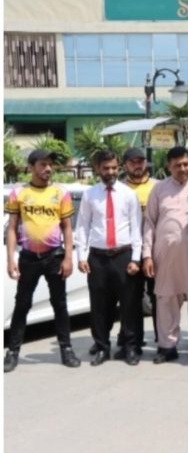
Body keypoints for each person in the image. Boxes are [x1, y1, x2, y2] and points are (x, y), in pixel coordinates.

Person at [4, 149, 81, 373]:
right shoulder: (18, 193)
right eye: (42, 164)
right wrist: (11, 259)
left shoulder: (60, 193)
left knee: (60, 305)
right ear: (31, 167)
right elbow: (11, 228)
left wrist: (68, 257)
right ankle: (13, 352)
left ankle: (66, 349)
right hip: (28, 258)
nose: (48, 169)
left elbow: (67, 227)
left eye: (50, 165)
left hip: (54, 257)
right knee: (22, 305)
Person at [143, 146, 188, 365]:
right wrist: (146, 255)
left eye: (185, 164)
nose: (182, 169)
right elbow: (149, 223)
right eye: (177, 166)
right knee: (166, 300)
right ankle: (167, 346)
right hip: (165, 256)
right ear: (168, 167)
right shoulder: (158, 189)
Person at [75, 150, 143, 366]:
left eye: (114, 168)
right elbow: (83, 227)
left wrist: (136, 259)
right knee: (100, 306)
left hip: (123, 256)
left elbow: (136, 229)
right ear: (97, 169)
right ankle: (103, 348)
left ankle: (130, 347)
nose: (111, 172)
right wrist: (81, 256)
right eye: (106, 168)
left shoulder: (128, 194)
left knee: (129, 305)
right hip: (98, 258)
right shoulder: (89, 195)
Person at [121, 148, 158, 353]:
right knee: (132, 298)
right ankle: (134, 340)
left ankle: (162, 340)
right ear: (125, 165)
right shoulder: (120, 189)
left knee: (157, 297)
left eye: (141, 161)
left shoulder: (157, 187)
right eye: (133, 162)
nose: (138, 165)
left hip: (154, 249)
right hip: (130, 251)